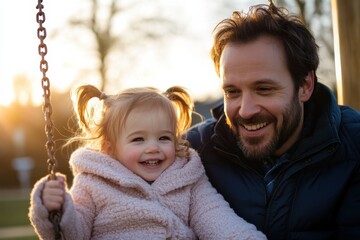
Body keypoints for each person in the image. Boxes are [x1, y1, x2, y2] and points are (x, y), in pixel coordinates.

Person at [187, 1, 360, 240]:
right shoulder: (192, 152)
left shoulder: (355, 147)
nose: (246, 111)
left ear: (305, 85)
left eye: (264, 89)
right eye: (232, 92)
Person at [29, 85, 267, 240]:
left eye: (164, 137)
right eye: (138, 139)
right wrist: (56, 209)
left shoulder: (188, 179)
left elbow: (219, 221)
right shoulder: (92, 183)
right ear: (109, 148)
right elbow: (73, 233)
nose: (153, 147)